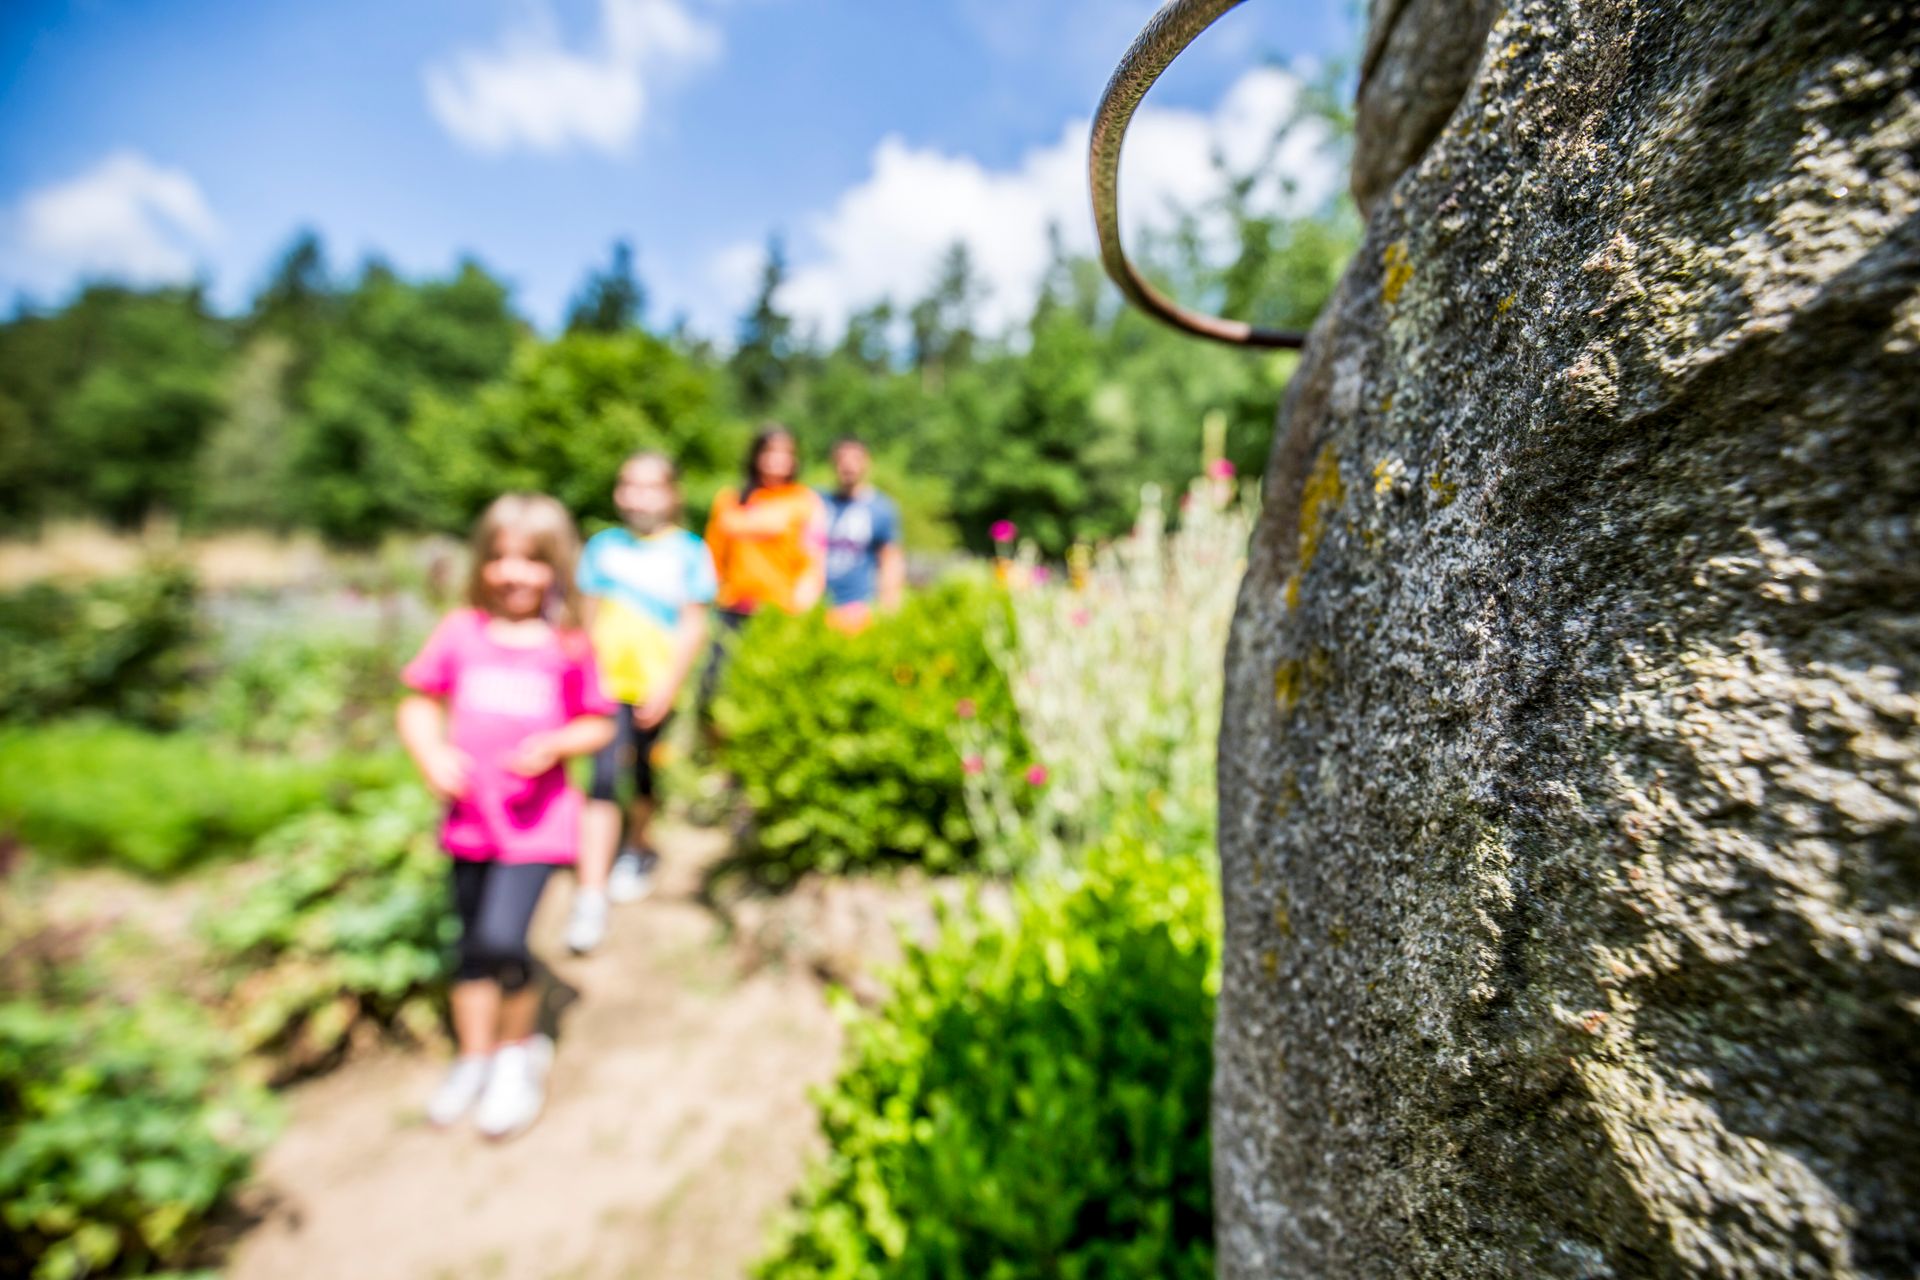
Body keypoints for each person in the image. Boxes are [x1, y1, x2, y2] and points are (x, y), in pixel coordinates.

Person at [397, 493, 615, 1139]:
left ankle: (516, 1056)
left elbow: (599, 722)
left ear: (555, 567)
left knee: (503, 940)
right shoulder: (460, 632)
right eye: (500, 558)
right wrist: (431, 754)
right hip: (470, 824)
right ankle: (474, 1057)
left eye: (531, 560)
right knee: (469, 948)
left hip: (537, 825)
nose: (514, 573)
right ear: (481, 563)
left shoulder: (568, 644)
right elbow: (418, 701)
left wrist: (556, 744)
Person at [564, 453, 716, 954]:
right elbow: (585, 619)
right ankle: (591, 895)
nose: (639, 496)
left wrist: (669, 685)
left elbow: (693, 624)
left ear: (671, 494)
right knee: (604, 777)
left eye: (650, 486)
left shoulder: (689, 551)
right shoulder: (602, 547)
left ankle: (639, 843)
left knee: (645, 772)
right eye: (630, 485)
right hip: (605, 687)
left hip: (654, 686)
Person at [697, 425, 826, 721]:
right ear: (756, 455)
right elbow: (712, 557)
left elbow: (813, 560)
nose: (777, 459)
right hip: (733, 608)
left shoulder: (804, 501)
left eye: (785, 453)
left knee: (770, 692)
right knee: (713, 688)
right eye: (770, 451)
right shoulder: (731, 500)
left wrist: (802, 605)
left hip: (778, 612)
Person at [819, 436, 904, 632]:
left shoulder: (881, 508)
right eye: (842, 459)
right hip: (817, 606)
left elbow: (890, 560)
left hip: (858, 609)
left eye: (855, 459)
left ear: (867, 463)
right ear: (833, 463)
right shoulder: (818, 502)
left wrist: (888, 609)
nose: (848, 466)